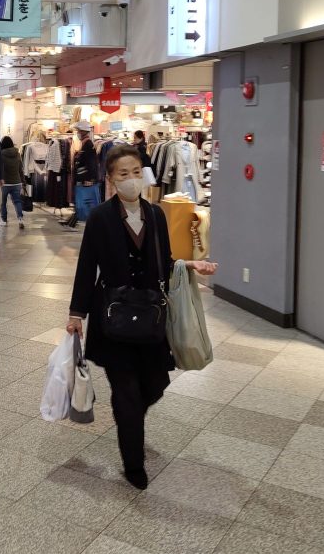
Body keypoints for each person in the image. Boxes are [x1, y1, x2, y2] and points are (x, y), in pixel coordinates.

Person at [67, 146, 217, 490]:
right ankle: (133, 464)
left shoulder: (156, 214)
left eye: (136, 172)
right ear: (110, 179)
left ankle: (129, 415)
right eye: (123, 174)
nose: (131, 179)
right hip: (113, 317)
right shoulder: (101, 217)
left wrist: (190, 265)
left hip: (151, 316)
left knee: (155, 383)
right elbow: (87, 266)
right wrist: (76, 313)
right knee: (126, 392)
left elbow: (165, 260)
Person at [0, 135, 25, 229]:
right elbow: (20, 169)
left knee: (2, 202)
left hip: (4, 183)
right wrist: (23, 181)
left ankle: (4, 220)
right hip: (17, 182)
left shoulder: (1, 154)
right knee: (17, 201)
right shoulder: (17, 154)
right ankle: (20, 219)